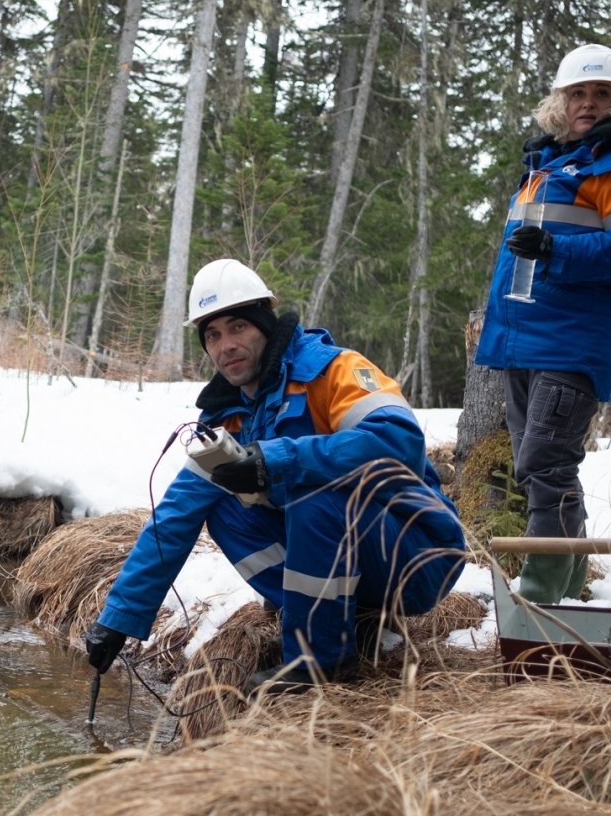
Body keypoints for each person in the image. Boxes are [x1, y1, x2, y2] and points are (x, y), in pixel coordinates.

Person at [84, 258, 466, 693]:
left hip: (417, 553)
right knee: (221, 508)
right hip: (350, 561)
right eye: (212, 334)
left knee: (314, 495)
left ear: (265, 324)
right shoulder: (226, 420)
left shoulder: (335, 369)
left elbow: (399, 442)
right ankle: (334, 616)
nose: (226, 344)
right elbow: (175, 516)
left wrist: (276, 458)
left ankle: (316, 663)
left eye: (238, 327)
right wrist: (117, 621)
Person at [475, 44, 611, 603]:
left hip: (575, 342)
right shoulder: (549, 165)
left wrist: (558, 253)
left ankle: (540, 598)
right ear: (559, 102)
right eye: (578, 94)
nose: (588, 103)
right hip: (526, 340)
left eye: (601, 94)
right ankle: (565, 587)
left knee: (546, 462)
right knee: (537, 466)